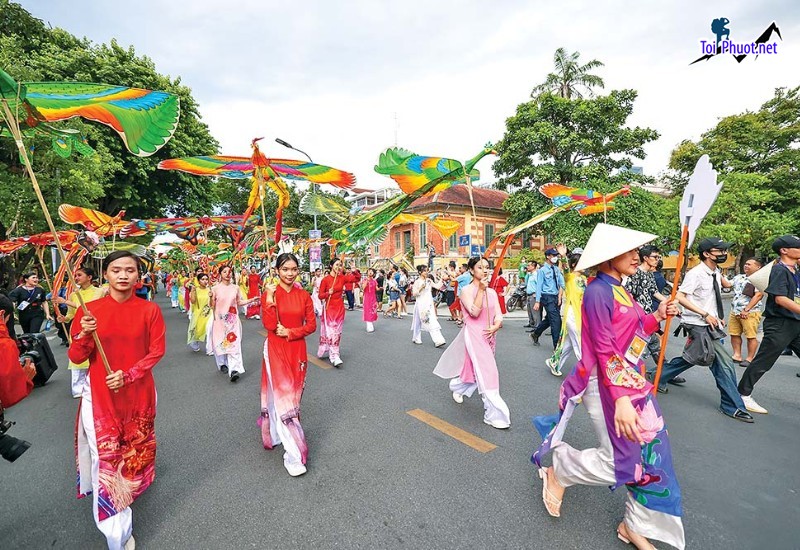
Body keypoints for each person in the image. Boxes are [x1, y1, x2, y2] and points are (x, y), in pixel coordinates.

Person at [533, 224, 684, 550]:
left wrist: (658, 314)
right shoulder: (597, 292)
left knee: (652, 457)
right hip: (604, 384)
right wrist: (622, 400)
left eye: (636, 251)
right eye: (630, 251)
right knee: (624, 462)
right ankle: (561, 470)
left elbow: (637, 328)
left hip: (631, 381)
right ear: (607, 256)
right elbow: (605, 348)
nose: (637, 256)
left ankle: (634, 527)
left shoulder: (620, 289)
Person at [69, 250, 166, 550]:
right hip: (100, 399)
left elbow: (156, 351)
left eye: (130, 270)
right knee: (108, 461)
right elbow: (76, 356)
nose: (123, 275)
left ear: (139, 276)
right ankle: (116, 534)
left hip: (139, 396)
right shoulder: (89, 311)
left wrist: (130, 374)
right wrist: (85, 334)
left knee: (133, 457)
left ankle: (126, 503)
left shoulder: (149, 310)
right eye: (116, 270)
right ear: (105, 275)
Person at [657, 237, 754, 423]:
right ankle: (732, 405)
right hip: (698, 324)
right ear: (707, 254)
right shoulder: (696, 273)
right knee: (723, 363)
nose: (724, 254)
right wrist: (704, 314)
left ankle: (657, 376)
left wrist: (716, 315)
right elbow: (680, 296)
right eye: (720, 251)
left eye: (725, 250)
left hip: (711, 324)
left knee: (694, 358)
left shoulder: (715, 271)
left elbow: (723, 287)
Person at [433, 256, 510, 429]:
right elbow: (474, 312)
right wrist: (481, 291)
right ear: (471, 271)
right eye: (480, 267)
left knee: (474, 370)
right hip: (474, 335)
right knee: (488, 372)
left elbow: (499, 314)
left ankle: (457, 386)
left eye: (487, 267)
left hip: (489, 336)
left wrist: (497, 325)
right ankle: (494, 414)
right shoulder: (466, 290)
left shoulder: (491, 292)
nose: (485, 270)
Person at [259, 253, 317, 477]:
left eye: (293, 269)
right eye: (285, 269)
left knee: (294, 397)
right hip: (275, 349)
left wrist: (292, 332)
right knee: (285, 400)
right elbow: (270, 324)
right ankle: (293, 454)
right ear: (277, 270)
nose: (290, 274)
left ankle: (274, 433)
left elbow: (311, 325)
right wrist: (270, 298)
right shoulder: (270, 293)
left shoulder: (304, 296)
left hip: (297, 349)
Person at [738, 235, 800, 414]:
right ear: (784, 250)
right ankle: (742, 394)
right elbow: (780, 299)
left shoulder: (794, 270)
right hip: (780, 323)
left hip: (795, 322)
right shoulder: (780, 270)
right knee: (764, 361)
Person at [623, 245, 680, 382]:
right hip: (639, 319)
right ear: (645, 258)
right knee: (638, 351)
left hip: (650, 316)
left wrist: (669, 302)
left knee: (655, 347)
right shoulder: (635, 274)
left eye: (658, 257)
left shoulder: (650, 274)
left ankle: (665, 372)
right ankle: (633, 375)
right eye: (655, 257)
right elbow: (629, 295)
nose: (657, 260)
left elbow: (655, 292)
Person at [56, 267, 105, 399]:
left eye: (79, 275)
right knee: (77, 356)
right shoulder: (73, 294)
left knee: (96, 356)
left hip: (95, 327)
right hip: (78, 328)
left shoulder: (99, 292)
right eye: (75, 276)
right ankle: (78, 388)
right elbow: (71, 314)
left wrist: (65, 301)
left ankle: (96, 384)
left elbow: (88, 308)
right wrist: (64, 318)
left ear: (89, 277)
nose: (76, 278)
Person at [210, 265, 258, 382]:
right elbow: (211, 306)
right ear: (220, 274)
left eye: (229, 272)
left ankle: (234, 370)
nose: (227, 274)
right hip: (220, 321)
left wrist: (251, 300)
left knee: (234, 344)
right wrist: (211, 298)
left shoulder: (235, 288)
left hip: (232, 320)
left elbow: (239, 302)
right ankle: (222, 364)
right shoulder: (215, 289)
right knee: (221, 345)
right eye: (225, 272)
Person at [545, 250, 585, 377]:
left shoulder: (584, 279)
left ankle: (554, 362)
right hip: (572, 314)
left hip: (581, 314)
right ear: (574, 265)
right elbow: (566, 269)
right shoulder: (570, 277)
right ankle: (586, 369)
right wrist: (563, 256)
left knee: (568, 343)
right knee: (579, 341)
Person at [318, 258, 356, 367]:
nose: (338, 267)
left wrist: (353, 269)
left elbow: (355, 279)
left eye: (340, 265)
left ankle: (330, 350)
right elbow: (320, 295)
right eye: (336, 265)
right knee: (331, 332)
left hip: (339, 307)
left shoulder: (342, 278)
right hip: (329, 307)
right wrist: (327, 293)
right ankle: (334, 355)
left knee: (337, 332)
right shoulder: (325, 280)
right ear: (331, 266)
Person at [729, 258, 765, 368]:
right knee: (734, 333)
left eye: (749, 264)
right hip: (735, 311)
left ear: (758, 267)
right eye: (746, 264)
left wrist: (747, 309)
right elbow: (727, 284)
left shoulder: (759, 279)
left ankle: (750, 358)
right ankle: (737, 355)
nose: (746, 266)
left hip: (750, 312)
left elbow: (759, 295)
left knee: (750, 336)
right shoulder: (739, 277)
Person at [0, 295, 34, 408]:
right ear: (1, 314)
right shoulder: (4, 344)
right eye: (8, 319)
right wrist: (25, 378)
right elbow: (10, 394)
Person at [531, 248, 565, 348]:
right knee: (556, 320)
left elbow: (562, 283)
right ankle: (557, 346)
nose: (555, 257)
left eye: (556, 255)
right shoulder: (542, 271)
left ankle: (536, 333)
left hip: (555, 296)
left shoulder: (556, 269)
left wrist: (561, 296)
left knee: (550, 319)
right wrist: (537, 301)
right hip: (547, 297)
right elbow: (539, 286)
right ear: (548, 257)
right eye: (553, 255)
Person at [411, 265, 446, 347]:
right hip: (421, 304)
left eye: (427, 270)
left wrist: (442, 279)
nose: (426, 272)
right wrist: (421, 288)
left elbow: (437, 286)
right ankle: (417, 337)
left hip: (429, 304)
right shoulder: (417, 282)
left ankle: (439, 340)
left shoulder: (429, 281)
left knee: (432, 321)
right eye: (424, 271)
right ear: (420, 272)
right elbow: (414, 294)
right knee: (420, 321)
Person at [187, 273, 212, 352]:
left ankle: (210, 348)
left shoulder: (210, 290)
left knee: (210, 329)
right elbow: (193, 301)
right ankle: (195, 342)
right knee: (197, 330)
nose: (205, 281)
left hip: (209, 313)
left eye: (206, 279)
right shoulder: (195, 289)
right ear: (198, 281)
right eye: (202, 279)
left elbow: (212, 303)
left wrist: (212, 297)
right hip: (198, 312)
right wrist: (193, 291)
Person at [523, 261, 540, 330]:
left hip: (534, 295)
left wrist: (537, 294)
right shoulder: (530, 275)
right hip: (529, 295)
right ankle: (531, 322)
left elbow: (539, 285)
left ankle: (537, 326)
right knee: (530, 311)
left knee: (535, 312)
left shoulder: (536, 275)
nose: (527, 267)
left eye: (529, 265)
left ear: (533, 266)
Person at [361, 268, 379, 333]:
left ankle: (370, 323)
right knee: (367, 310)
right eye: (369, 271)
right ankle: (369, 325)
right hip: (367, 297)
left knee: (373, 310)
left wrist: (381, 288)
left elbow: (376, 289)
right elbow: (363, 287)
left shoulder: (374, 281)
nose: (370, 272)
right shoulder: (365, 280)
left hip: (373, 297)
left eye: (372, 272)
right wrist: (367, 281)